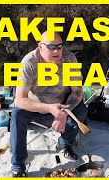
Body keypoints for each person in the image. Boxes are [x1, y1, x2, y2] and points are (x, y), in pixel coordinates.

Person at [10, 31, 88, 177]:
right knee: (16, 115)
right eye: (51, 47)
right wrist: (49, 108)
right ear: (40, 47)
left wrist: (64, 112)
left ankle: (64, 143)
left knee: (82, 110)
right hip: (36, 106)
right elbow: (20, 100)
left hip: (62, 105)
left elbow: (77, 92)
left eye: (59, 46)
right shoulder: (30, 62)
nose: (57, 51)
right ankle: (18, 164)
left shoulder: (69, 59)